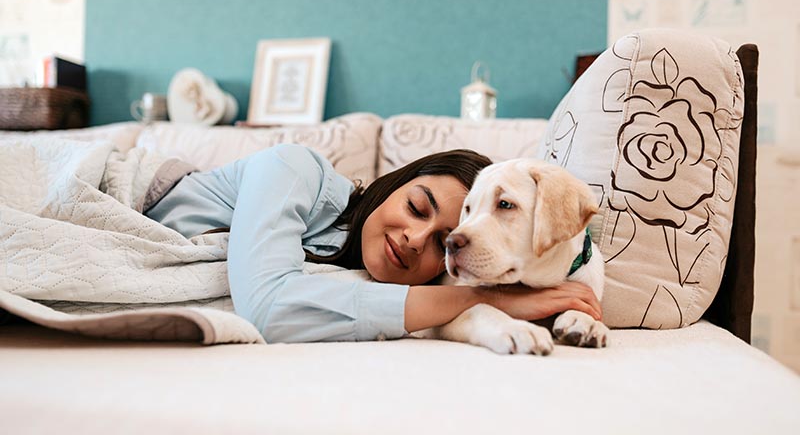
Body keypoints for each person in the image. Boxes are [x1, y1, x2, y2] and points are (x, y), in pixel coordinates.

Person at [145, 144, 602, 343]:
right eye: (417, 208)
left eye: (443, 241)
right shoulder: (293, 168)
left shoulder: (350, 273)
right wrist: (489, 299)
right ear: (392, 183)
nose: (415, 239)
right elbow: (265, 306)